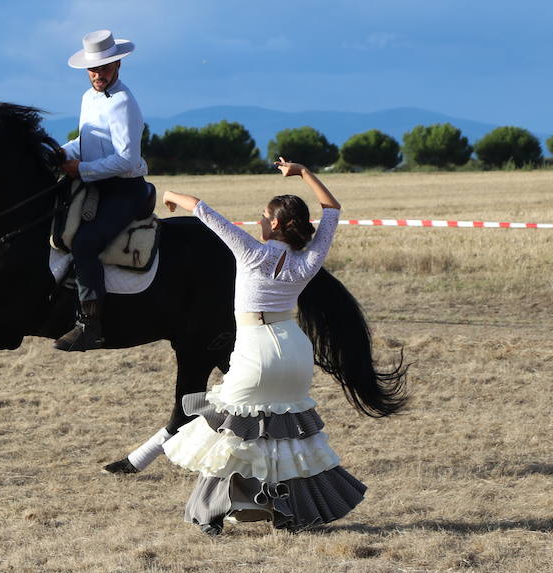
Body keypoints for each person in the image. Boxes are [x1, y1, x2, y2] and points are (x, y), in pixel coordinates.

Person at [159, 160, 367, 534]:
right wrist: (303, 173)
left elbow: (202, 210)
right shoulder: (308, 260)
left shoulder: (250, 251)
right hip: (295, 352)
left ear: (274, 224)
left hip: (256, 352)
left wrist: (170, 195)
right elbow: (332, 208)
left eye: (263, 215)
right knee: (285, 438)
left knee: (230, 434)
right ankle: (290, 513)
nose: (259, 219)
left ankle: (209, 513)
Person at [53, 29, 149, 352]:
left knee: (85, 242)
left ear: (118, 65)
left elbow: (126, 159)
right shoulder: (87, 98)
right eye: (93, 70)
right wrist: (60, 153)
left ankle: (90, 325)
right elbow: (84, 143)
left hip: (124, 190)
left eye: (105, 69)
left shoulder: (123, 102)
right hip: (94, 182)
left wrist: (80, 169)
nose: (98, 75)